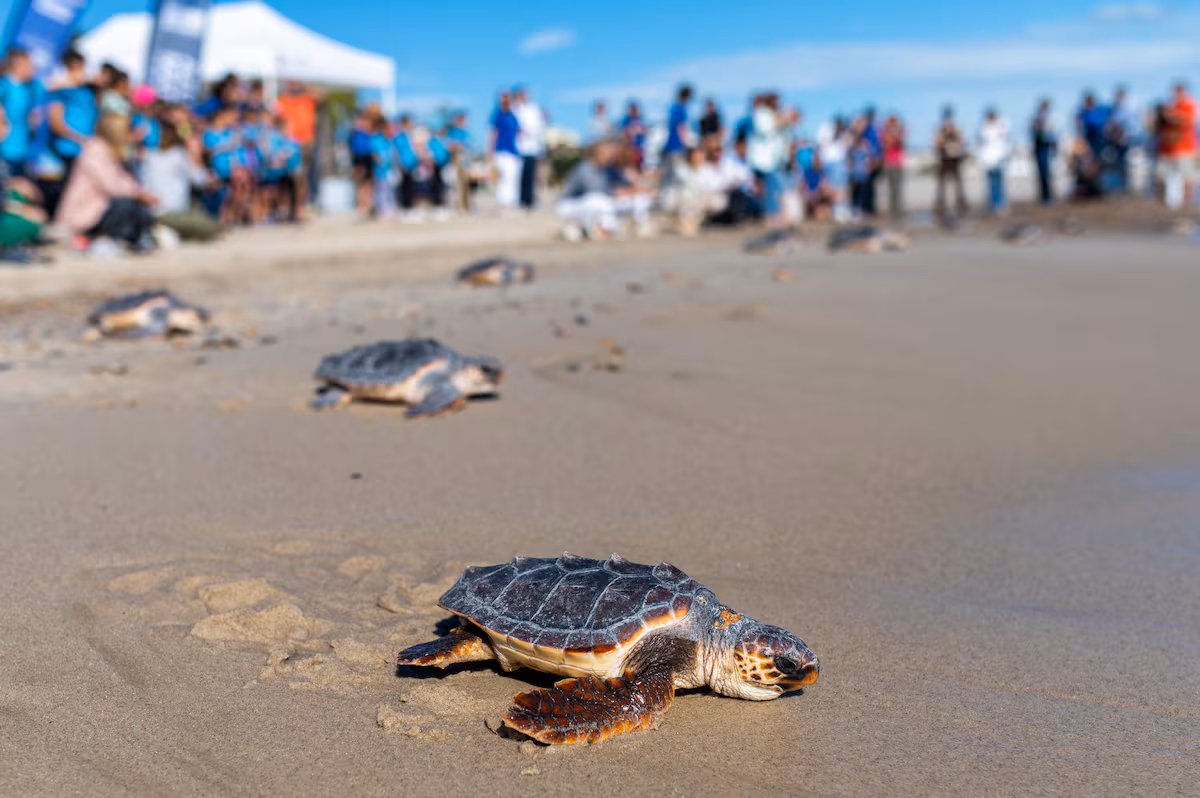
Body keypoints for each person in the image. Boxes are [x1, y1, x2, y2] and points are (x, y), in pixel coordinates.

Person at [56, 112, 158, 251]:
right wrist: (139, 193)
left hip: (98, 211)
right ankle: (105, 238)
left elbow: (124, 181)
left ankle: (134, 238)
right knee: (125, 203)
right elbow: (111, 186)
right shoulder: (94, 152)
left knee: (137, 206)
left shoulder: (110, 153)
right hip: (84, 216)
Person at [556, 138, 650, 241]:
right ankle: (599, 230)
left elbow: (623, 185)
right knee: (598, 200)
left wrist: (635, 188)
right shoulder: (585, 169)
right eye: (606, 153)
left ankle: (637, 226)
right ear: (596, 154)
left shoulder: (606, 168)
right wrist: (625, 191)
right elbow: (598, 191)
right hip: (569, 205)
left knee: (639, 198)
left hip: (592, 204)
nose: (610, 155)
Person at [141, 121, 221, 241]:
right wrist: (197, 158)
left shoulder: (149, 156)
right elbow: (200, 179)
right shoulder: (179, 155)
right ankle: (170, 232)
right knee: (214, 228)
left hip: (152, 211)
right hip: (172, 212)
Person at [47, 49, 97, 186]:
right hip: (65, 152)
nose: (82, 72)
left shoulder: (87, 90)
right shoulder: (60, 91)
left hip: (84, 153)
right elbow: (56, 123)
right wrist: (80, 139)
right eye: (77, 68)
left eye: (83, 67)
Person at [747, 92, 788, 226]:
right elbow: (765, 130)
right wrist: (781, 121)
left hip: (773, 159)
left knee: (773, 189)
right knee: (770, 189)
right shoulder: (761, 114)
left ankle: (775, 215)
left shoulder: (773, 115)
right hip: (765, 161)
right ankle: (770, 217)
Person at [0, 48, 41, 178]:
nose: (31, 68)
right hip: (5, 149)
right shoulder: (4, 85)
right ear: (17, 66)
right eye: (28, 65)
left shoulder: (31, 86)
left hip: (22, 149)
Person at [1159, 81, 1196, 210]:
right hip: (1169, 148)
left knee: (1187, 175)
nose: (1175, 94)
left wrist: (1171, 116)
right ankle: (1173, 202)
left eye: (1178, 91)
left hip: (1185, 147)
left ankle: (1189, 202)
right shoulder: (1170, 105)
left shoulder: (1188, 104)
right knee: (1169, 175)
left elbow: (1188, 121)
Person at [513, 86, 546, 210]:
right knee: (519, 176)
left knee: (532, 176)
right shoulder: (514, 108)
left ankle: (530, 201)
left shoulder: (534, 109)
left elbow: (540, 127)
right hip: (520, 148)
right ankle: (520, 200)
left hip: (533, 148)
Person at [933, 106, 968, 219]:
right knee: (941, 185)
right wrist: (944, 136)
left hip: (955, 160)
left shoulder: (957, 128)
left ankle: (961, 205)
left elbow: (962, 141)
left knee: (958, 184)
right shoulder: (940, 129)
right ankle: (940, 206)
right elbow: (937, 143)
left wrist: (954, 134)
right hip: (944, 160)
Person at [489, 91, 521, 209]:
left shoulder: (513, 116)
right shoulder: (497, 115)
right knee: (504, 176)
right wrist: (490, 151)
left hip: (513, 151)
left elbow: (518, 133)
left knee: (513, 176)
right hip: (501, 150)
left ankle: (511, 200)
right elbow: (493, 133)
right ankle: (502, 200)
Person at [977, 107, 1012, 215]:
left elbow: (1006, 138)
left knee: (1000, 182)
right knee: (991, 183)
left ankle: (1000, 204)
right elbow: (981, 144)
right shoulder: (984, 128)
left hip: (1000, 159)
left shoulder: (1002, 125)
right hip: (988, 160)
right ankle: (993, 204)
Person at [817, 115, 850, 222]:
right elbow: (821, 144)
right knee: (831, 188)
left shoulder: (845, 131)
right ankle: (835, 210)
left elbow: (847, 145)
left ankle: (840, 209)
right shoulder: (826, 128)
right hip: (829, 162)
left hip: (840, 162)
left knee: (841, 187)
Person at [660, 84, 693, 184]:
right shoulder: (681, 109)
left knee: (670, 173)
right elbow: (681, 128)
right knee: (677, 174)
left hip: (669, 146)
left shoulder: (673, 108)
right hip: (676, 146)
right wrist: (685, 143)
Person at [1106, 86, 1137, 193]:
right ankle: (1120, 186)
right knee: (1118, 163)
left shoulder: (1127, 108)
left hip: (1125, 141)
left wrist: (1118, 132)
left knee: (1124, 163)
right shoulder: (1115, 109)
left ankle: (1125, 186)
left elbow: (1125, 125)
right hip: (1117, 141)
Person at [444, 111, 473, 213]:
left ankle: (466, 206)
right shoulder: (453, 132)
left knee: (466, 183)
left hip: (466, 160)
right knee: (457, 184)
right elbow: (450, 146)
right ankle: (459, 206)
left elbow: (468, 146)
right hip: (456, 159)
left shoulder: (466, 132)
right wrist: (458, 146)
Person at [348, 107, 375, 216]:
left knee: (368, 182)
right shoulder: (354, 132)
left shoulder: (369, 132)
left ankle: (368, 205)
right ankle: (361, 205)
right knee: (359, 182)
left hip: (367, 157)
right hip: (358, 158)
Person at [1030, 98, 1057, 205]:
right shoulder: (1036, 118)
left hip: (1047, 147)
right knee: (1042, 173)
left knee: (1048, 173)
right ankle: (1044, 195)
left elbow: (1053, 134)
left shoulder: (1051, 118)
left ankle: (1049, 195)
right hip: (1039, 147)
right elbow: (1032, 130)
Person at [881, 114, 905, 220]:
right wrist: (892, 137)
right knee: (891, 189)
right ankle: (892, 211)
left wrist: (897, 135)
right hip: (889, 164)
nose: (893, 125)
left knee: (898, 189)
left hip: (898, 164)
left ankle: (898, 211)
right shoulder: (885, 134)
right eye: (891, 123)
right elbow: (886, 145)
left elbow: (901, 142)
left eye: (894, 123)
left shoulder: (899, 133)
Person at [619, 101, 647, 170]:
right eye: (632, 110)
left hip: (640, 147)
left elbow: (645, 130)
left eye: (635, 110)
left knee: (640, 164)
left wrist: (640, 131)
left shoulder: (640, 119)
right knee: (631, 165)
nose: (634, 111)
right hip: (630, 147)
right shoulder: (626, 120)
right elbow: (623, 132)